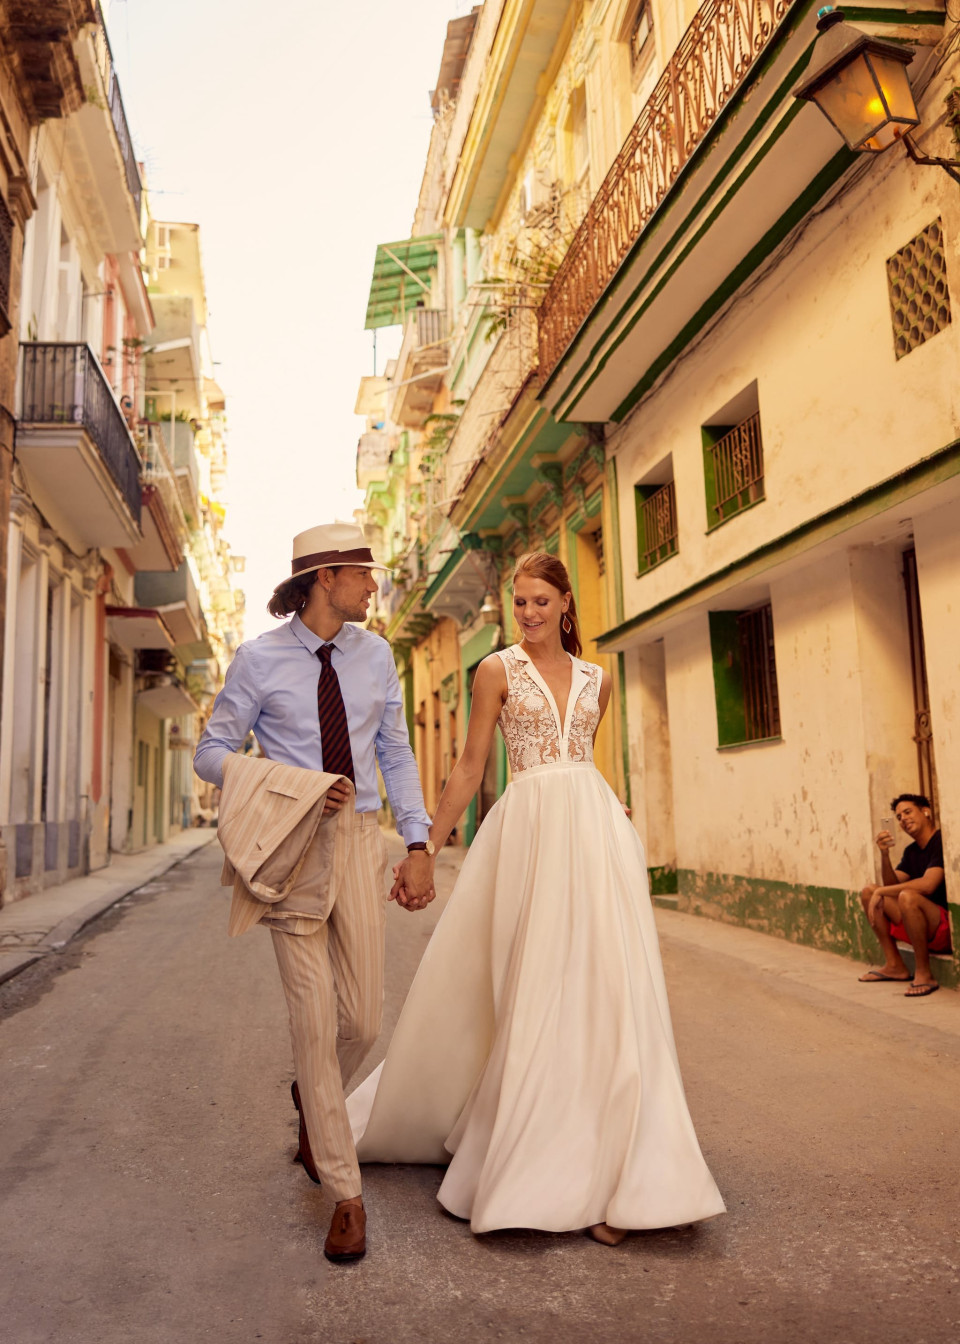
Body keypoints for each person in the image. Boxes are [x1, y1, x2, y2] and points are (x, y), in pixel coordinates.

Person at [346, 552, 726, 1245]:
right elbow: (468, 765)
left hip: (595, 833)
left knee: (613, 989)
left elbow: (583, 762)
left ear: (566, 603)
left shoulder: (598, 680)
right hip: (527, 834)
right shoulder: (494, 670)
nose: (528, 614)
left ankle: (628, 1172)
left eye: (540, 602)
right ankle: (533, 1150)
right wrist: (423, 847)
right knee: (531, 983)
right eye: (519, 602)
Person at [194, 522, 435, 1264]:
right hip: (290, 850)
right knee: (313, 1020)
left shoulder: (376, 655)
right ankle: (345, 1193)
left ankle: (315, 1096)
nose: (374, 587)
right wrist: (293, 786)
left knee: (361, 1020)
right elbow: (211, 756)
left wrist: (419, 842)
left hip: (362, 842)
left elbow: (394, 750)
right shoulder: (259, 660)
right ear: (326, 577)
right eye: (364, 575)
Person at [858, 793, 950, 997]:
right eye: (899, 817)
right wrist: (884, 855)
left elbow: (928, 885)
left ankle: (924, 973)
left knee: (907, 895)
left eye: (908, 812)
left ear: (926, 811)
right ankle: (894, 965)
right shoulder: (911, 851)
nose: (903, 819)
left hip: (942, 926)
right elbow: (892, 886)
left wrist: (883, 891)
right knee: (869, 892)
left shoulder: (941, 840)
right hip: (915, 923)